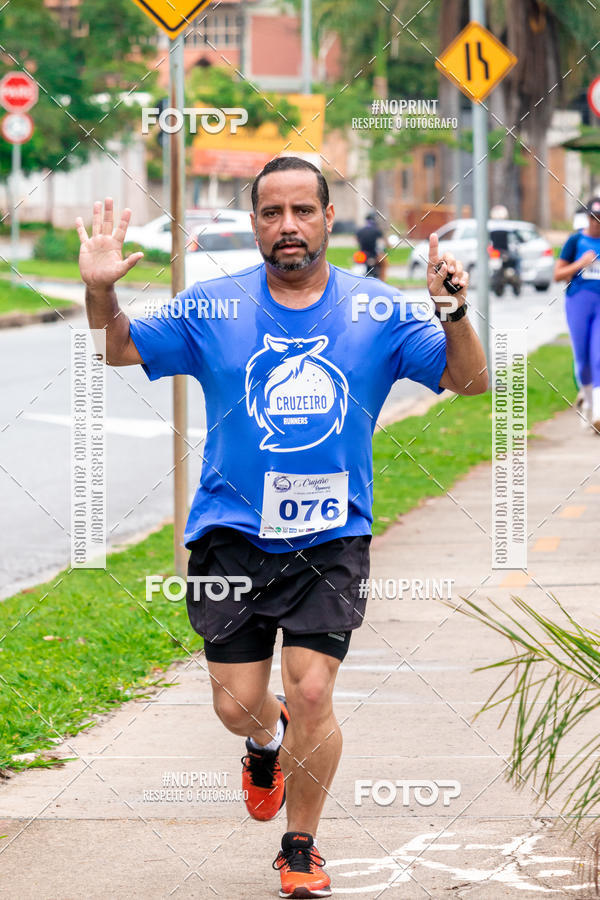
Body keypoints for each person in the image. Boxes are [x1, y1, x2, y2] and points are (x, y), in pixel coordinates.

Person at [77, 156, 488, 899]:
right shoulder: (214, 306)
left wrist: (453, 313)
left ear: (330, 218)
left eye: (303, 210)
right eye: (272, 212)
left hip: (331, 536)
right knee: (237, 705)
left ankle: (300, 846)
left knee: (313, 692)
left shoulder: (378, 310)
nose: (288, 226)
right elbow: (119, 346)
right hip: (230, 534)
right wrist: (100, 291)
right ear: (256, 223)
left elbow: (470, 381)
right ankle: (265, 743)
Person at [555, 196, 600, 432]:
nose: (596, 223)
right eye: (593, 218)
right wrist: (581, 263)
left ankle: (598, 412)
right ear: (587, 218)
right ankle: (588, 402)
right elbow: (558, 274)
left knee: (598, 356)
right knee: (582, 359)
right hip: (578, 302)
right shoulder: (575, 241)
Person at [355, 212, 388, 281]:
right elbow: (384, 242)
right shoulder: (377, 230)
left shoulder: (360, 230)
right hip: (374, 255)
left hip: (362, 254)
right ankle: (383, 282)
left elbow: (356, 241)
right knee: (384, 264)